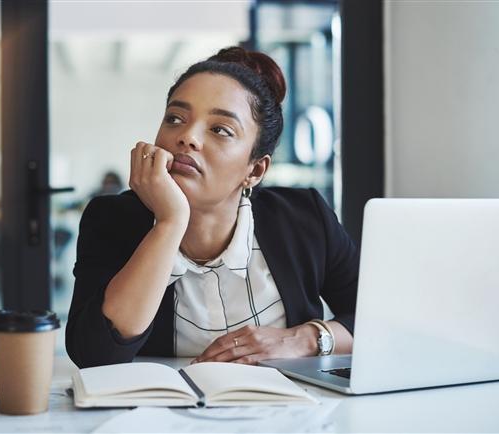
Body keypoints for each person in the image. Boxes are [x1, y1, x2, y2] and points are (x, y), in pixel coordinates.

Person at [66, 46, 359, 368]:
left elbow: (382, 321)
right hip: (162, 411)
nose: (187, 137)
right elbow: (94, 355)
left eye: (220, 129)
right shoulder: (112, 219)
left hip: (290, 407)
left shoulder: (305, 216)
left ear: (256, 170)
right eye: (175, 119)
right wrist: (169, 222)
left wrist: (304, 339)